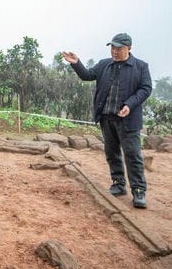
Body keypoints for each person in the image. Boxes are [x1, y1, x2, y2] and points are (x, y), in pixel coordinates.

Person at [62, 33, 152, 208]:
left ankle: (139, 191)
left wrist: (130, 104)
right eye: (112, 48)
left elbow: (146, 89)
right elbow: (87, 75)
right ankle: (118, 184)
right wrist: (76, 64)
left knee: (133, 155)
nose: (115, 51)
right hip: (106, 118)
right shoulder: (105, 65)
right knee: (112, 153)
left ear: (129, 48)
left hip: (128, 119)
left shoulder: (140, 67)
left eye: (119, 48)